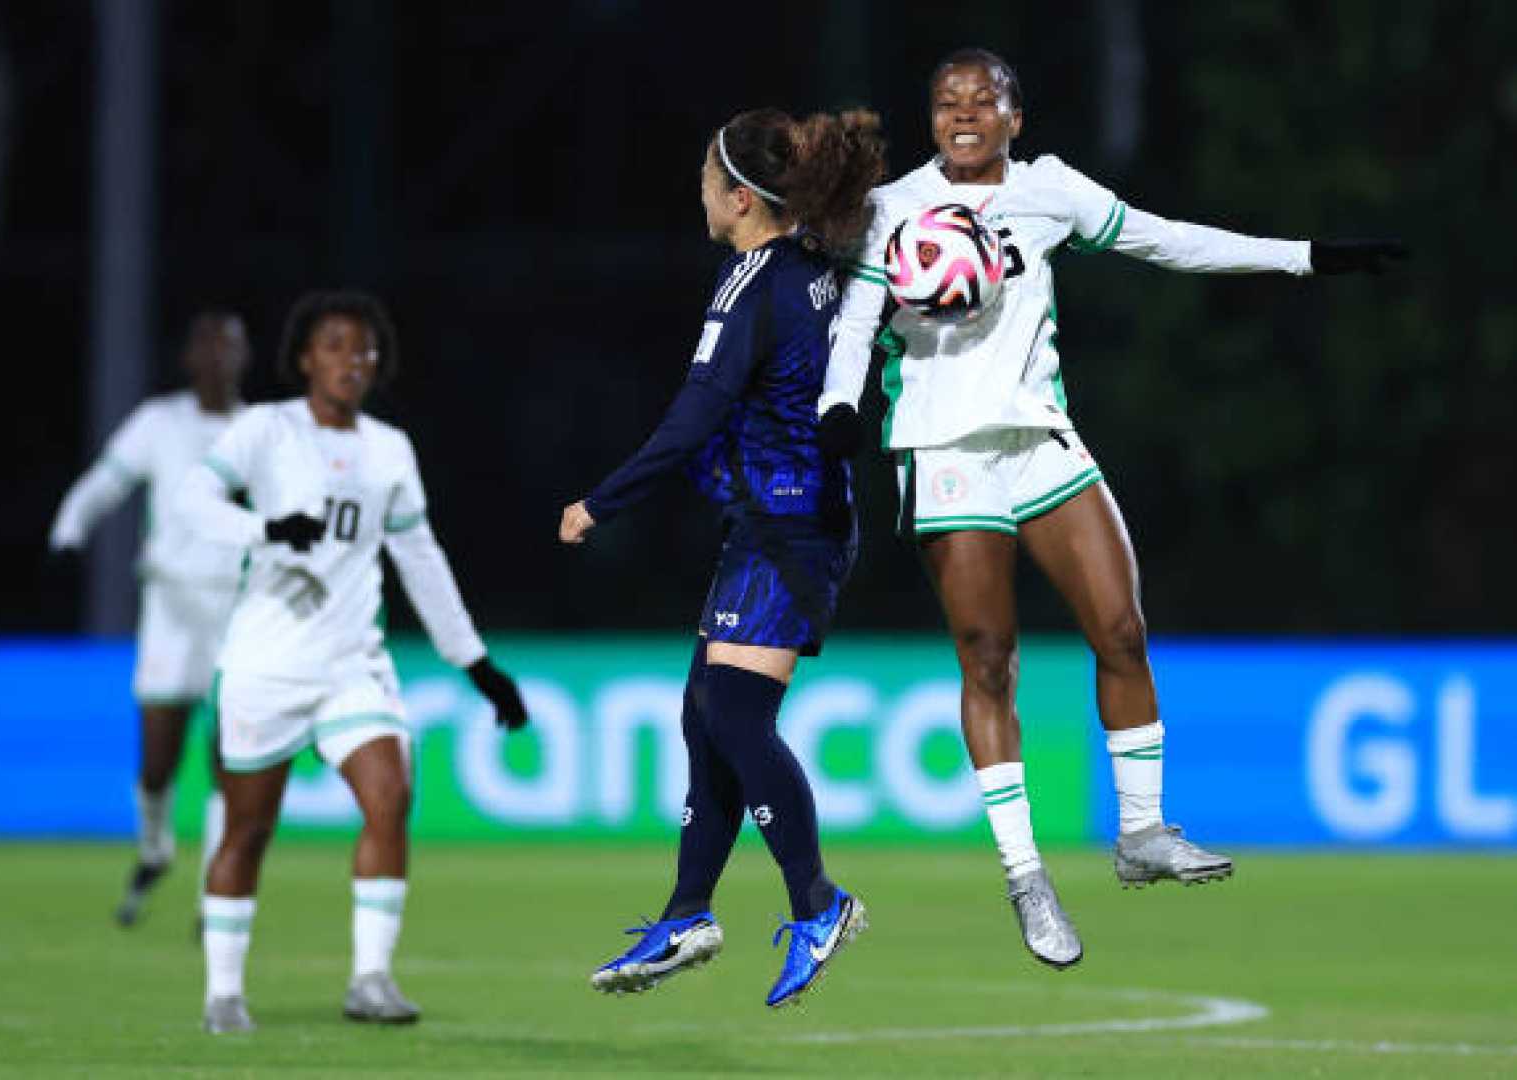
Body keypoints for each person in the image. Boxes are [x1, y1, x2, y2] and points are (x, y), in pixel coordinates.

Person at [817, 47, 1407, 970]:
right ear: (931, 119)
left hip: (1041, 438)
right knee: (989, 657)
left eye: (983, 99)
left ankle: (1142, 835)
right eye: (945, 101)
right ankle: (1026, 877)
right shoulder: (890, 209)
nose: (963, 113)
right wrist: (838, 412)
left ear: (1017, 116)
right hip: (942, 449)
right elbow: (854, 327)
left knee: (1123, 630)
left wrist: (1305, 258)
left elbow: (1167, 239)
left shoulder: (1050, 190)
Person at [560, 107, 886, 1008]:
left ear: (740, 199)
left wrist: (602, 500)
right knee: (706, 713)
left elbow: (694, 416)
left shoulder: (753, 281)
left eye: (706, 180)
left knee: (735, 714)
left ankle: (817, 900)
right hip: (784, 520)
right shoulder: (817, 266)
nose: (698, 194)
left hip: (789, 528)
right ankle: (688, 911)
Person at [176, 290, 529, 1033]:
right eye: (335, 345)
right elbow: (193, 501)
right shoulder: (263, 430)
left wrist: (475, 663)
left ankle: (371, 979)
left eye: (364, 349)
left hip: (350, 666)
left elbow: (420, 558)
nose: (352, 360)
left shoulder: (389, 449)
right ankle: (224, 993)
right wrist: (267, 528)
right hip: (265, 665)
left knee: (391, 798)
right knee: (247, 830)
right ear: (306, 356)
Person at [50, 311, 250, 927]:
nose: (218, 358)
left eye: (229, 348)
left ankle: (215, 891)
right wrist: (69, 528)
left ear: (243, 358)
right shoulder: (159, 422)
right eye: (207, 347)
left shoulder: (261, 431)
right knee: (158, 758)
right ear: (190, 358)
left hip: (236, 604)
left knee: (231, 753)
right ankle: (156, 846)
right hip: (169, 603)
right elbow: (106, 482)